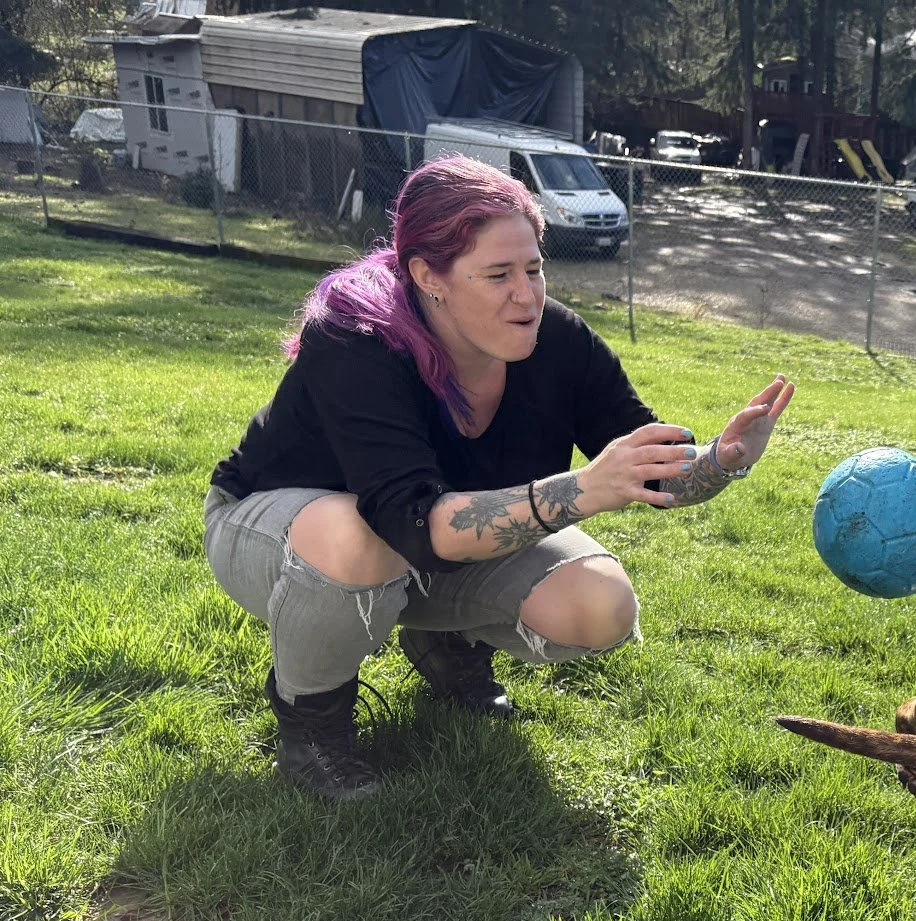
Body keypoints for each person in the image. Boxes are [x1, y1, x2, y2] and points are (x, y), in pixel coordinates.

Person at [204, 155, 796, 801]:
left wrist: (721, 461)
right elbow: (411, 520)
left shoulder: (556, 338)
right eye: (498, 274)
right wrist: (583, 490)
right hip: (278, 533)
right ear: (428, 275)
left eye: (535, 268)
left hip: (425, 548)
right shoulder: (357, 339)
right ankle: (312, 724)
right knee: (359, 535)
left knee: (601, 604)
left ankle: (446, 645)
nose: (527, 294)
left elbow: (649, 470)